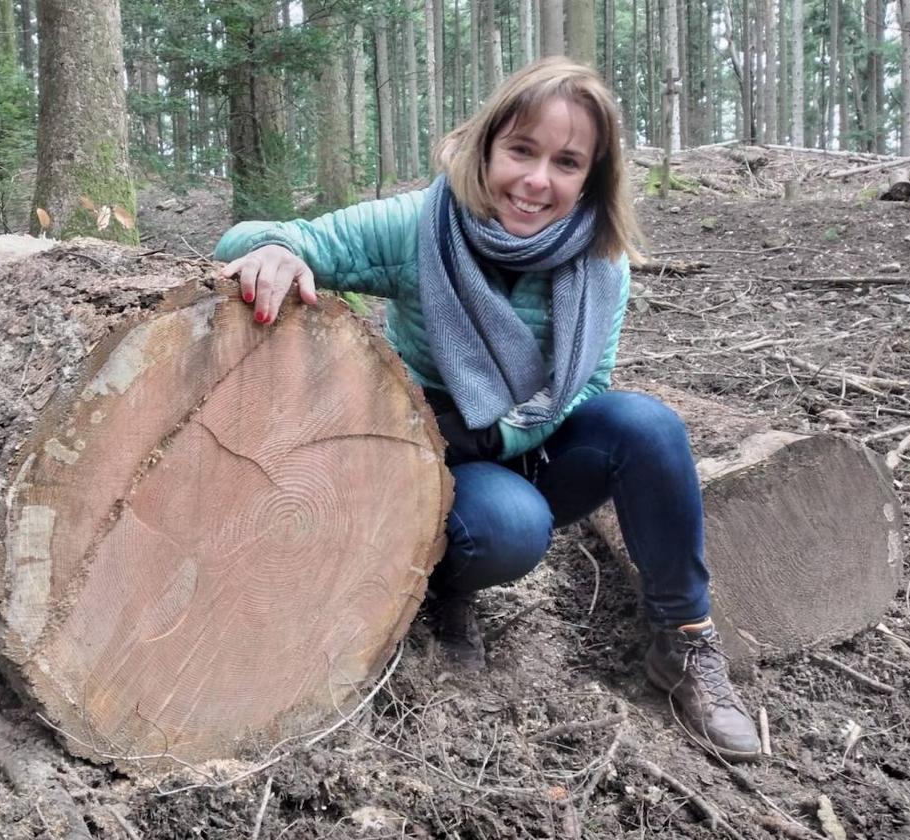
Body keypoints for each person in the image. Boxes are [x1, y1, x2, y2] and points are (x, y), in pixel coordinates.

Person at [214, 57, 761, 762]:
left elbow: (588, 385)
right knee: (509, 529)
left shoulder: (602, 258)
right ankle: (443, 588)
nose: (537, 181)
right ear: (487, 146)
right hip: (430, 452)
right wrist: (274, 252)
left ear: (592, 176)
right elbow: (259, 237)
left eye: (567, 162)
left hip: (530, 435)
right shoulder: (422, 223)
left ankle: (684, 643)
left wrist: (498, 433)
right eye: (522, 151)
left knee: (646, 425)